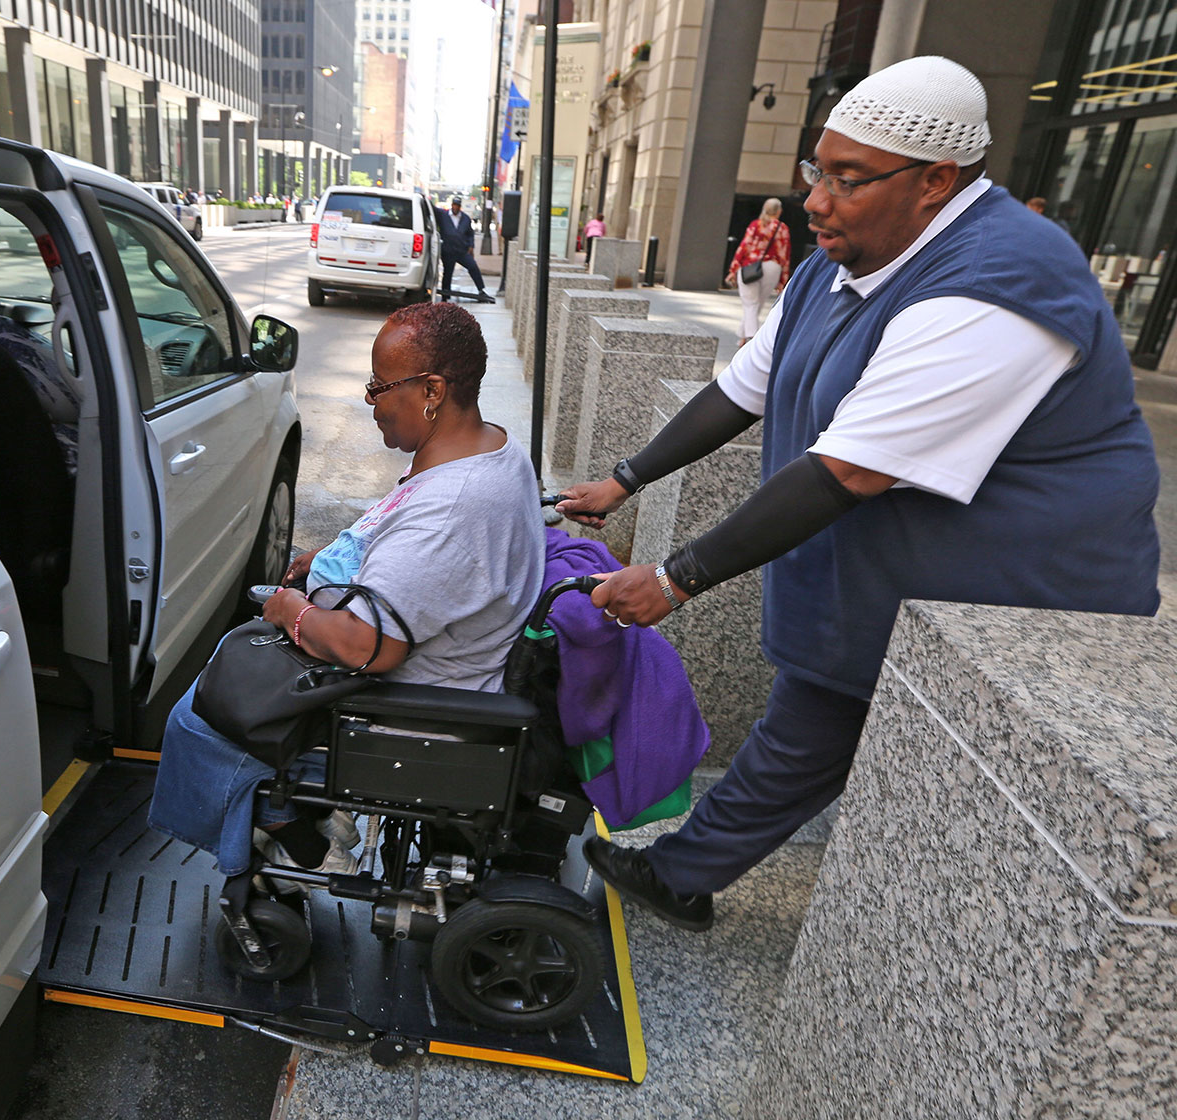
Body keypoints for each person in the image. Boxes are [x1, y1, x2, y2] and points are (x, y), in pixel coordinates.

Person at [555, 55, 1161, 933]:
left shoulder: (998, 284)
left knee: (956, 797)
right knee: (815, 718)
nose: (815, 200)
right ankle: (683, 874)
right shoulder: (838, 265)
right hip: (899, 579)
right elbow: (741, 390)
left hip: (1021, 606)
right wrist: (624, 479)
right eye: (816, 170)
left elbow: (850, 471)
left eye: (846, 179)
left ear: (935, 182)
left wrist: (676, 577)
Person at [148, 301, 544, 879]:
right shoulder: (489, 447)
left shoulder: (455, 508)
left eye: (382, 386)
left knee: (197, 716)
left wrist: (293, 612)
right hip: (427, 660)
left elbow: (369, 648)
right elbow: (401, 542)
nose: (370, 399)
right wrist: (331, 557)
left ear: (432, 389)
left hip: (405, 703)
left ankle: (285, 828)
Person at [725, 198, 791, 346]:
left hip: (750, 266)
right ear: (779, 211)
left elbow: (744, 247)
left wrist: (733, 268)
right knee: (757, 303)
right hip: (773, 267)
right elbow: (784, 254)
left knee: (750, 303)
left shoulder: (756, 225)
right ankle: (743, 337)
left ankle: (751, 338)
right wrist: (783, 280)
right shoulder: (782, 228)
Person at [434, 196, 492, 302]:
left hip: (461, 250)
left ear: (460, 207)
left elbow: (470, 233)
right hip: (448, 250)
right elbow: (433, 209)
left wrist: (471, 246)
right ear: (452, 205)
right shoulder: (443, 215)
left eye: (458, 206)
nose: (456, 207)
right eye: (454, 205)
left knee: (473, 266)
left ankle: (481, 290)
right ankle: (445, 295)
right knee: (448, 273)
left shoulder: (465, 218)